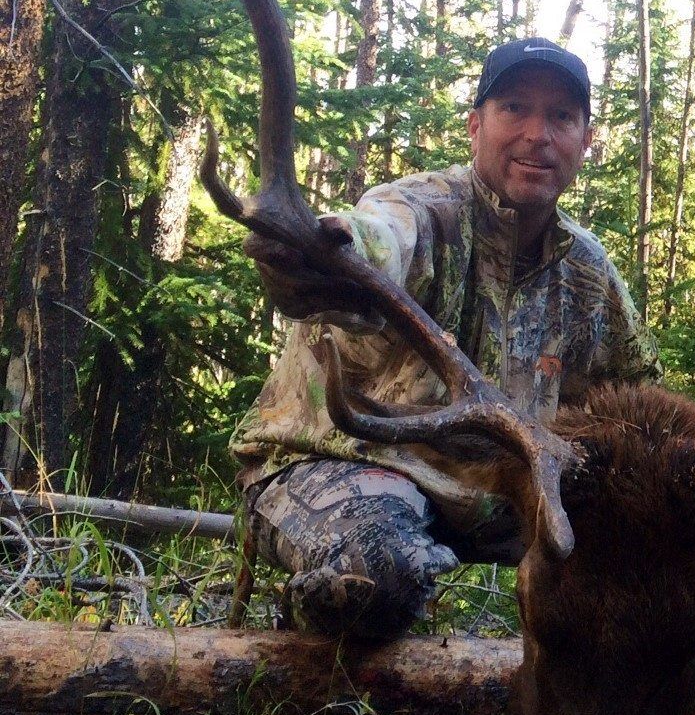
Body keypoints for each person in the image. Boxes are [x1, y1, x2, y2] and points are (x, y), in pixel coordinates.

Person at [232, 38, 661, 640]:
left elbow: (645, 403)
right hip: (336, 464)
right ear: (475, 125)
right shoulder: (424, 211)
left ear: (586, 140)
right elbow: (377, 237)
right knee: (376, 573)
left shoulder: (587, 271)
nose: (538, 133)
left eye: (561, 116)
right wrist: (323, 254)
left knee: (659, 563)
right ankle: (296, 644)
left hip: (493, 499)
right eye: (514, 107)